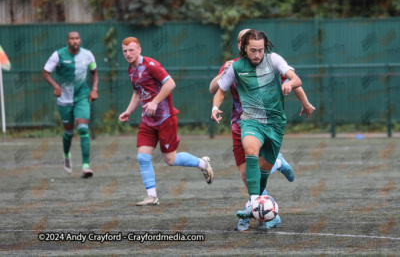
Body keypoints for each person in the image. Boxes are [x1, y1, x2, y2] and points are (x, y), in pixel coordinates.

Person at [210, 29, 315, 231]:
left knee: (261, 170)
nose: (256, 54)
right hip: (246, 121)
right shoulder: (233, 67)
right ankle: (255, 206)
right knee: (249, 160)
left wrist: (302, 98)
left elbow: (295, 81)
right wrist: (215, 107)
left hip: (274, 123)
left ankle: (261, 196)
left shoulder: (273, 60)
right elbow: (217, 89)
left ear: (264, 47)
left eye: (260, 49)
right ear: (242, 48)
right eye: (251, 49)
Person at [119, 37, 214, 206]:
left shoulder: (150, 65)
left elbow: (170, 83)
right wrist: (128, 111)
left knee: (170, 160)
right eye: (125, 51)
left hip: (165, 119)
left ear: (139, 49)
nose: (128, 54)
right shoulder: (131, 71)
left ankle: (202, 163)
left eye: (131, 50)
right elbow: (137, 93)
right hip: (147, 121)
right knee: (143, 158)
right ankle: (152, 196)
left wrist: (155, 102)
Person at [43, 31, 98, 178]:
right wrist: (56, 86)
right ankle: (66, 155)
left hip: (82, 97)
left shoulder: (88, 55)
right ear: (67, 41)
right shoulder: (58, 55)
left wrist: (94, 89)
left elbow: (94, 72)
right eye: (72, 39)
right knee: (69, 132)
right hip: (64, 100)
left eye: (77, 38)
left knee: (83, 129)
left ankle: (86, 167)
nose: (75, 41)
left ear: (80, 40)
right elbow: (45, 72)